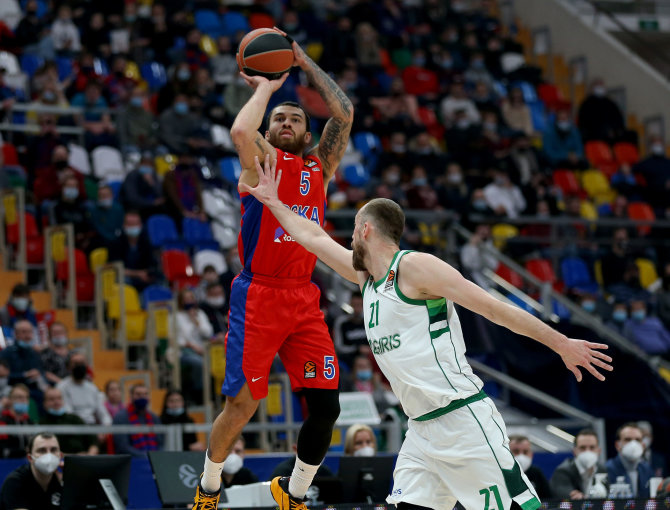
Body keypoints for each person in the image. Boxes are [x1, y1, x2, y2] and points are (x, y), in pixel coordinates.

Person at [241, 154, 613, 510]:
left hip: (462, 419)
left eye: (353, 231)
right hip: (420, 430)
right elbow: (314, 237)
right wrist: (274, 202)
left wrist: (561, 343)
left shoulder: (416, 268)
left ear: (365, 230)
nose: (349, 239)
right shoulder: (366, 280)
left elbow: (494, 308)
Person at [193, 29, 354, 510]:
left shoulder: (318, 169)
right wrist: (266, 85)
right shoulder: (260, 162)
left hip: (304, 298)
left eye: (294, 118)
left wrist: (303, 63)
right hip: (259, 295)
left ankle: (295, 492)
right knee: (242, 405)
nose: (285, 121)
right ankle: (208, 487)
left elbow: (343, 114)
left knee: (326, 406)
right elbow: (242, 132)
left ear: (306, 134)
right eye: (278, 117)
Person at [0, 432, 63, 510]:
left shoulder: (63, 481)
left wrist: (70, 484)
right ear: (30, 458)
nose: (49, 455)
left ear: (60, 456)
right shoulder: (15, 482)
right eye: (42, 450)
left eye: (53, 450)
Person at [175, 288, 213, 403]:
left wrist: (195, 321)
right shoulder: (176, 316)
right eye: (186, 299)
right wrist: (192, 346)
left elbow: (208, 333)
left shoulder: (200, 314)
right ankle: (200, 394)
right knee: (199, 363)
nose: (189, 301)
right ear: (181, 301)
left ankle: (218, 395)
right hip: (184, 351)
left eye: (191, 298)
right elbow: (178, 340)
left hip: (203, 349)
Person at [550, 428, 609, 499]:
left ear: (599, 451)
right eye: (582, 448)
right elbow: (567, 496)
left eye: (592, 447)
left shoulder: (602, 470)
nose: (587, 451)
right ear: (574, 451)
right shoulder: (562, 472)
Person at [56, 351, 112, 426]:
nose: (79, 366)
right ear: (69, 367)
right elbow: (68, 413)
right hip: (73, 427)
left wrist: (106, 428)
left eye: (82, 363)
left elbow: (102, 412)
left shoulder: (92, 388)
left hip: (91, 426)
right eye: (76, 364)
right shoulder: (61, 387)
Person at [39, 387, 99, 455]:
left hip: (81, 461)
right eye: (52, 399)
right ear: (44, 403)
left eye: (59, 398)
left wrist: (88, 457)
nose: (56, 402)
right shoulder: (42, 424)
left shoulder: (75, 419)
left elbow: (93, 442)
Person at [112, 382, 163, 456]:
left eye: (145, 394)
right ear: (131, 396)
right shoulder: (120, 417)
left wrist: (156, 456)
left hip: (155, 459)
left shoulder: (154, 418)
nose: (142, 397)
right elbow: (123, 447)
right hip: (132, 461)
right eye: (138, 394)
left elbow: (160, 443)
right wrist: (146, 456)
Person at [606, 422, 654, 497]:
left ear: (643, 446)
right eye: (628, 439)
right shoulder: (607, 469)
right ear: (617, 445)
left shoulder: (647, 469)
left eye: (637, 440)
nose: (633, 444)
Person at [508, 435, 551, 500]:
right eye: (516, 451)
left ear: (531, 454)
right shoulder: (499, 474)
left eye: (525, 452)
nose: (521, 456)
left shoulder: (536, 473)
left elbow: (548, 501)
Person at [0, 384, 35, 458]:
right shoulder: (3, 422)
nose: (24, 400)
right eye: (19, 397)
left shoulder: (30, 422)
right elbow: (3, 451)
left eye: (26, 397)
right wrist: (25, 452)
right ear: (10, 400)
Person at [40, 321, 72, 386]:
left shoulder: (73, 353)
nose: (58, 335)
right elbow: (45, 373)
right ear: (49, 335)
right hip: (53, 388)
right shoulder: (45, 353)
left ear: (66, 334)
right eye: (55, 333)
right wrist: (62, 384)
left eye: (61, 332)